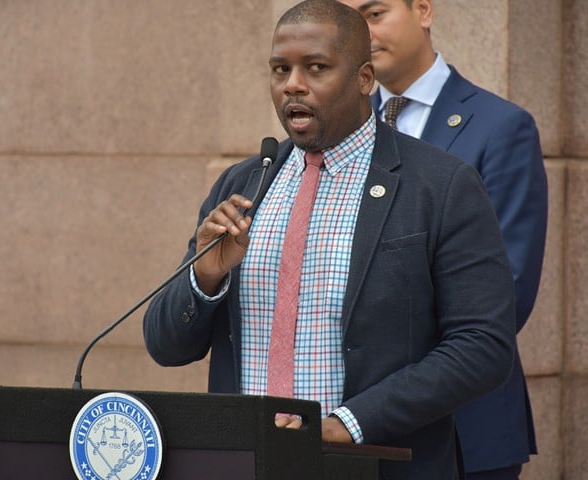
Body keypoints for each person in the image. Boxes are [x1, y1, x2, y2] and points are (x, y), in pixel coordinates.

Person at [144, 0, 516, 478]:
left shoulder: (441, 186)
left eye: (315, 68)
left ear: (364, 79)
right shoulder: (242, 185)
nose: (292, 84)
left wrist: (349, 424)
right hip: (246, 463)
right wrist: (204, 276)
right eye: (280, 69)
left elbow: (482, 345)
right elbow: (165, 346)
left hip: (373, 462)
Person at [337, 0, 548, 478]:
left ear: (424, 11)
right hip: (355, 430)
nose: (361, 34)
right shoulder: (341, 133)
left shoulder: (501, 127)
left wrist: (389, 392)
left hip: (465, 428)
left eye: (374, 13)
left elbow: (507, 292)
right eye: (348, 22)